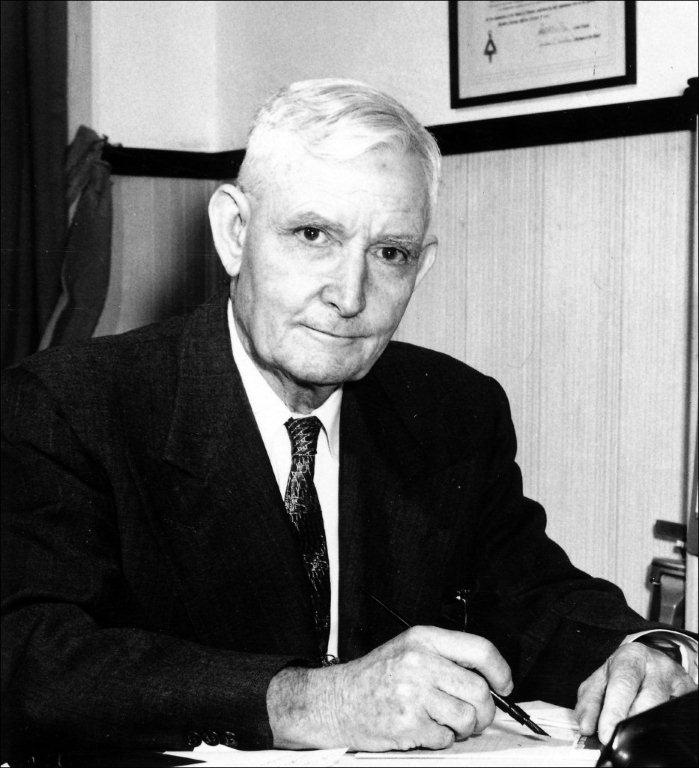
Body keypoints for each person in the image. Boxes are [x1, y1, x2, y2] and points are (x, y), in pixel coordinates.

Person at [1, 79, 696, 760]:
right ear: (234, 233)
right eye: (312, 234)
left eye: (388, 253)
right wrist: (316, 701)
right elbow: (30, 657)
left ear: (420, 268)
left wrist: (646, 649)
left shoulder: (451, 406)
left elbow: (531, 593)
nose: (350, 294)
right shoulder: (71, 404)